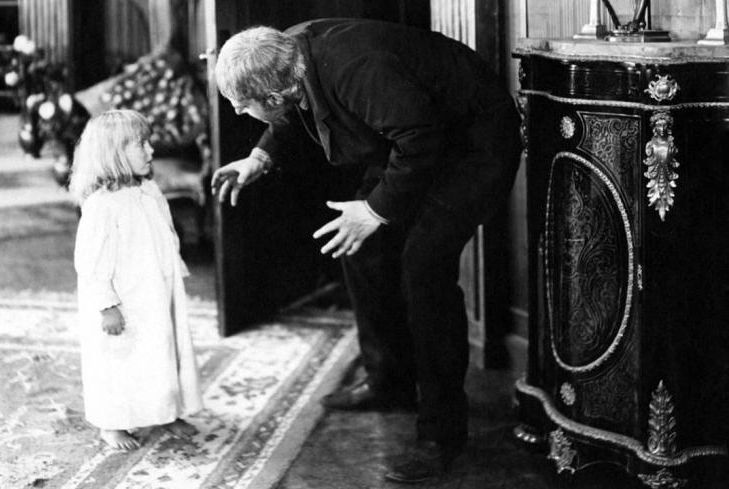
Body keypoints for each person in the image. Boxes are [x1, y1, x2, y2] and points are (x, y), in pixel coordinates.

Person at [211, 19, 521, 483]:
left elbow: (422, 138)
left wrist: (375, 211)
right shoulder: (287, 55)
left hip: (472, 145)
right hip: (415, 143)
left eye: (242, 104)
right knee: (359, 249)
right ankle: (389, 381)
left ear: (272, 95)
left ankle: (442, 435)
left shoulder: (357, 69)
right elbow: (294, 110)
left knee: (424, 270)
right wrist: (260, 157)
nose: (238, 112)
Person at [70, 109, 202, 450]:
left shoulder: (148, 189)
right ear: (113, 154)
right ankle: (111, 423)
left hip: (155, 291)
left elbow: (166, 232)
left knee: (161, 352)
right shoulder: (101, 205)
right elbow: (91, 262)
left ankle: (165, 410)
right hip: (124, 300)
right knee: (121, 361)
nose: (150, 150)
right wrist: (106, 305)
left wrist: (174, 271)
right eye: (140, 144)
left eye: (148, 142)